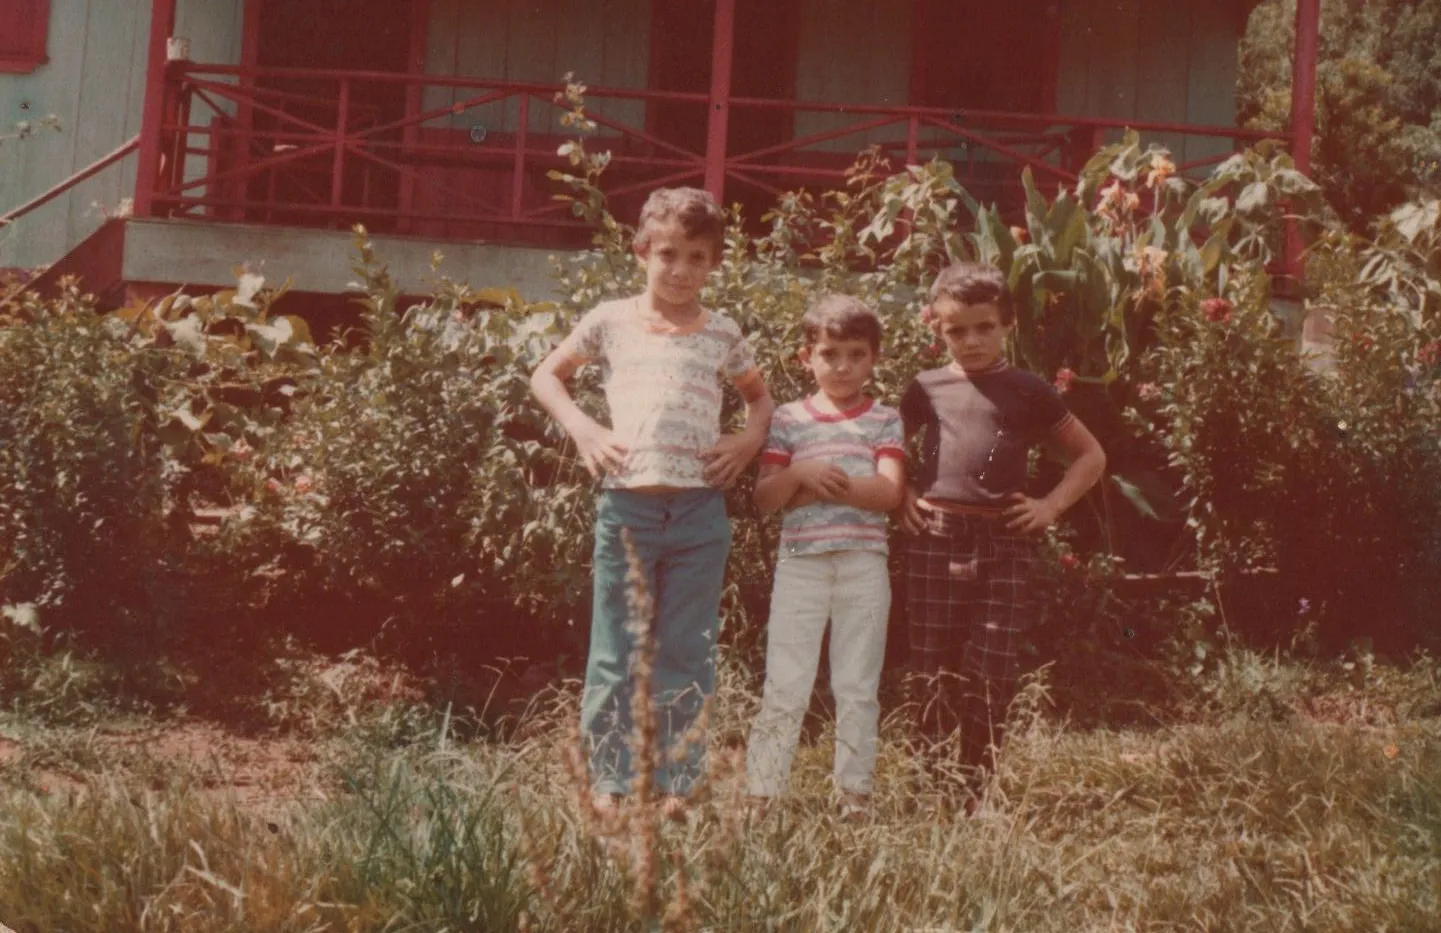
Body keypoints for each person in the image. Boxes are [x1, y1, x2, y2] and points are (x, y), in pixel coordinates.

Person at [529, 187, 774, 809]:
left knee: (685, 651)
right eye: (667, 253)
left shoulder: (721, 332)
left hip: (698, 512)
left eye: (697, 256)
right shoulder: (609, 321)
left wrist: (747, 443)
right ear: (641, 250)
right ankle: (608, 781)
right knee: (617, 650)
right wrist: (583, 429)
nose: (681, 269)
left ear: (715, 262)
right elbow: (545, 376)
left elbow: (760, 399)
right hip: (628, 508)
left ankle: (678, 779)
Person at [897, 262, 1105, 807]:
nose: (971, 340)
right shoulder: (924, 389)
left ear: (1007, 324)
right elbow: (888, 451)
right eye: (956, 330)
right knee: (931, 661)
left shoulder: (1029, 390)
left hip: (1005, 542)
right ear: (937, 330)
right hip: (936, 535)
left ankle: (974, 787)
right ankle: (928, 783)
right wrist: (899, 499)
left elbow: (1091, 456)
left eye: (983, 327)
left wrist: (1049, 506)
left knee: (992, 664)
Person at [745, 295, 905, 820]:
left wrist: (819, 487)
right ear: (805, 356)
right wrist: (796, 477)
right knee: (785, 681)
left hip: (863, 564)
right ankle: (763, 793)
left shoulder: (884, 419)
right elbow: (765, 500)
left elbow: (889, 494)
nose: (841, 366)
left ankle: (854, 793)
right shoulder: (789, 421)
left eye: (855, 354)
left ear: (874, 358)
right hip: (802, 565)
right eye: (829, 353)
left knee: (857, 682)